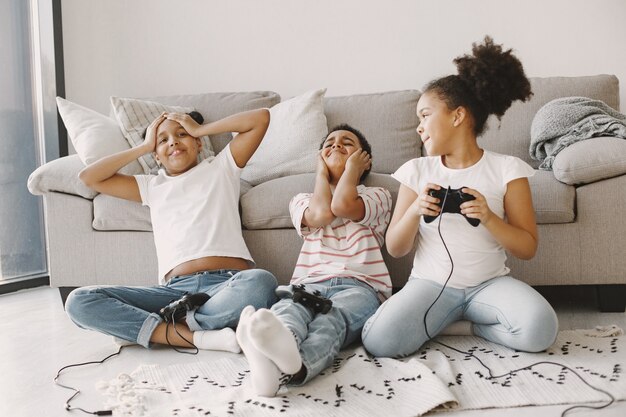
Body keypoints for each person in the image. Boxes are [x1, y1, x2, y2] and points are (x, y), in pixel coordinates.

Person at [361, 36, 558, 359]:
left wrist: (489, 217)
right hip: (430, 286)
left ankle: (467, 327)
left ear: (457, 116)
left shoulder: (508, 169)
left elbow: (527, 248)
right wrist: (414, 211)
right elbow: (396, 249)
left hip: (489, 286)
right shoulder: (415, 170)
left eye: (425, 115)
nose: (419, 128)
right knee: (379, 341)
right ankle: (445, 319)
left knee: (541, 329)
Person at [65, 108, 278, 352]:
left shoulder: (222, 167)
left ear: (198, 144)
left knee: (262, 282)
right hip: (173, 293)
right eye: (162, 140)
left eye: (182, 134)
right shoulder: (152, 185)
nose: (173, 141)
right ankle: (198, 337)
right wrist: (143, 147)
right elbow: (89, 177)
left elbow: (261, 118)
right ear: (156, 156)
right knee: (79, 301)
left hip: (228, 284)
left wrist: (199, 128)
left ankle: (155, 330)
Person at [236, 124, 393, 396]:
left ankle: (290, 367)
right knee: (288, 311)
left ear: (363, 159)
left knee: (331, 320)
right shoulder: (302, 200)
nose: (336, 145)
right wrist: (321, 173)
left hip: (360, 286)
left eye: (347, 143)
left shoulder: (377, 196)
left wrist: (351, 172)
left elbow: (342, 206)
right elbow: (322, 214)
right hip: (308, 283)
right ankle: (274, 361)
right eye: (329, 143)